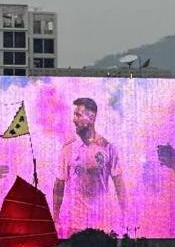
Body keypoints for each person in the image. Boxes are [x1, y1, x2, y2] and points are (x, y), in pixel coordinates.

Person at [53, 97, 129, 236]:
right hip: (75, 225)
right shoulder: (67, 149)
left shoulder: (108, 148)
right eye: (74, 114)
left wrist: (126, 216)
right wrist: (55, 218)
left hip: (101, 224)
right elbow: (59, 186)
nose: (74, 119)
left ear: (92, 118)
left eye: (78, 115)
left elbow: (119, 186)